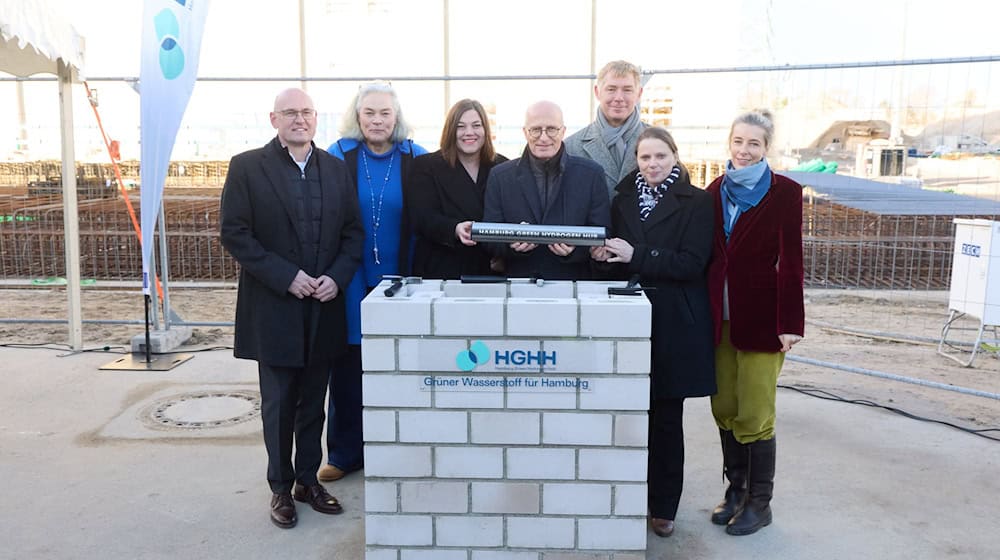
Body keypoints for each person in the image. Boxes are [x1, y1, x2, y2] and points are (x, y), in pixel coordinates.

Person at [219, 88, 364, 529]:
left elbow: (353, 234)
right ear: (274, 119)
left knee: (314, 404)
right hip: (275, 306)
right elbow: (235, 233)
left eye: (306, 112)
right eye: (290, 113)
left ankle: (307, 481)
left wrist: (336, 278)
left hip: (323, 305)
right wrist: (286, 277)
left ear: (316, 118)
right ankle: (280, 488)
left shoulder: (336, 170)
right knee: (279, 405)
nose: (299, 119)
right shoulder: (247, 167)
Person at [592, 127, 715, 538]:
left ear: (675, 156)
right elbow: (617, 261)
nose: (653, 164)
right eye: (645, 157)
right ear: (637, 161)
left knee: (666, 419)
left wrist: (637, 254)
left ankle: (664, 506)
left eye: (661, 156)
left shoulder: (698, 202)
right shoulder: (622, 200)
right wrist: (603, 257)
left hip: (674, 322)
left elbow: (692, 263)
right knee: (627, 413)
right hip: (629, 318)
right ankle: (628, 497)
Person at [704, 109, 804, 536]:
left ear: (766, 148)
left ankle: (759, 504)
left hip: (764, 320)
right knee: (725, 406)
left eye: (753, 144)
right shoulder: (714, 191)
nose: (743, 151)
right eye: (738, 142)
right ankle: (736, 490)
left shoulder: (785, 192)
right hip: (720, 319)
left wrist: (791, 322)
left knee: (756, 410)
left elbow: (792, 260)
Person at [321, 82, 428, 482]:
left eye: (385, 113)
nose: (378, 120)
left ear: (396, 117)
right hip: (350, 276)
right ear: (357, 116)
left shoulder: (416, 157)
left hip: (404, 277)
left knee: (403, 365)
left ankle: (401, 450)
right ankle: (344, 453)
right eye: (369, 113)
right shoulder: (339, 155)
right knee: (348, 366)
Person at [483, 100, 610, 280]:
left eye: (551, 129)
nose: (543, 137)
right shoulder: (500, 176)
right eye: (536, 130)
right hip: (519, 283)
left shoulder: (591, 174)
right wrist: (511, 245)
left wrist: (575, 250)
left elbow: (603, 232)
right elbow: (488, 237)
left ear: (563, 131)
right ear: (525, 132)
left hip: (573, 283)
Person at [405, 98, 507, 278]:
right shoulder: (425, 166)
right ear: (450, 130)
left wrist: (504, 254)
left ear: (485, 129)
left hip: (490, 270)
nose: (469, 132)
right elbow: (421, 217)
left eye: (476, 125)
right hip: (441, 270)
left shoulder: (503, 167)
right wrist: (454, 228)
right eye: (461, 126)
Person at [564, 60, 647, 197]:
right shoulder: (571, 147)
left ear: (639, 94)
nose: (619, 98)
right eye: (611, 89)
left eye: (627, 90)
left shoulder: (660, 143)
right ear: (597, 92)